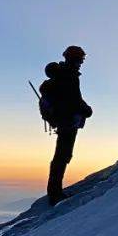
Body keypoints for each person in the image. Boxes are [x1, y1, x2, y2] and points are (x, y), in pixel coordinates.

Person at [40, 45, 93, 206]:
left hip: (64, 120)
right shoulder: (69, 76)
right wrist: (86, 110)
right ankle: (55, 194)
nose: (82, 62)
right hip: (68, 121)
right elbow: (73, 99)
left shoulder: (64, 75)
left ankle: (55, 191)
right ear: (74, 58)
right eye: (81, 58)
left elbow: (72, 98)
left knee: (61, 155)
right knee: (62, 155)